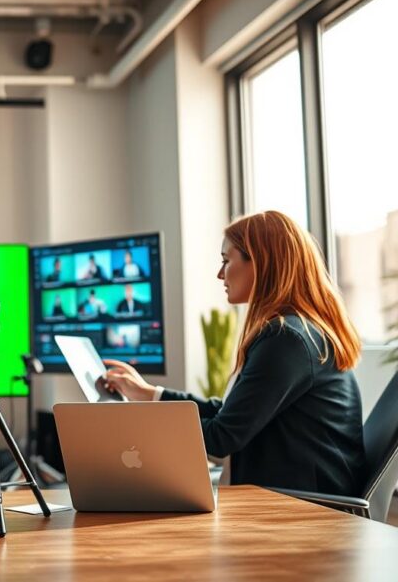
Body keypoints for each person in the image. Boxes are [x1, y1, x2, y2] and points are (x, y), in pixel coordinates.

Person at [103, 211, 366, 496]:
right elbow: (229, 414)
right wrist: (147, 393)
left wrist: (133, 425)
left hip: (305, 512)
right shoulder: (296, 331)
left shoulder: (286, 339)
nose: (220, 274)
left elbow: (221, 438)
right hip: (291, 497)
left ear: (260, 262)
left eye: (226, 261)